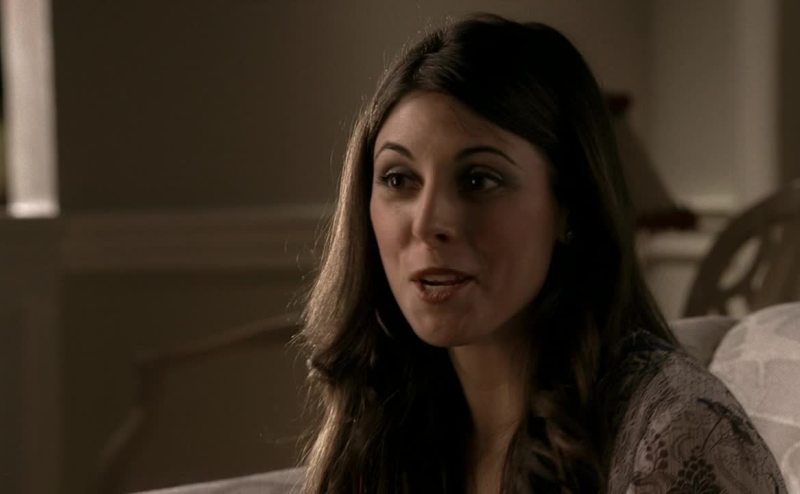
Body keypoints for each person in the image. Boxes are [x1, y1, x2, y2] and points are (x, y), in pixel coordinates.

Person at [298, 13, 786, 493]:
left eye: (478, 180)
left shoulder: (677, 435)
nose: (427, 224)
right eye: (398, 179)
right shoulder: (382, 424)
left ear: (570, 206)